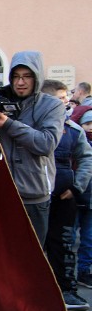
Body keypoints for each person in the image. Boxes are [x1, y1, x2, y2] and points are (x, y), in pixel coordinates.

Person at [0, 51, 65, 311]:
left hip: (33, 196)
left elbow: (45, 143)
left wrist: (8, 125)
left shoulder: (52, 106)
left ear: (37, 78)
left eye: (26, 77)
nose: (20, 82)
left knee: (25, 265)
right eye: (16, 76)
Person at [42, 79, 92, 311]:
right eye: (61, 98)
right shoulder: (34, 125)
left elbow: (85, 159)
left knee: (63, 243)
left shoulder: (73, 129)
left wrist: (77, 187)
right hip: (34, 197)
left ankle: (66, 291)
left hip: (64, 197)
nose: (67, 102)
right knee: (32, 244)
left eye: (66, 98)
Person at [71, 105, 92, 289]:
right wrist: (76, 188)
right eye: (88, 123)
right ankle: (68, 274)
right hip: (75, 197)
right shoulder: (76, 137)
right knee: (68, 237)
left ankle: (84, 271)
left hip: (88, 199)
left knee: (89, 239)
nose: (91, 127)